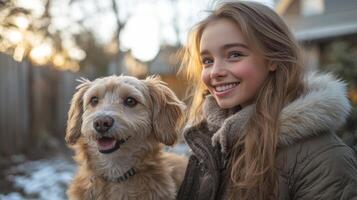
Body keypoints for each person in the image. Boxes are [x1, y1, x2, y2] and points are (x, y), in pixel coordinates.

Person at [176, 1, 357, 200]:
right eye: (208, 61)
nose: (215, 72)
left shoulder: (323, 157)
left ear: (273, 59)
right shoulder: (209, 144)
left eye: (235, 55)